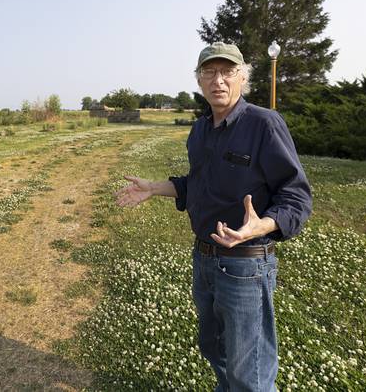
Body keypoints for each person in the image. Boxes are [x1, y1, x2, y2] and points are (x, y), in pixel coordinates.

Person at [116, 42, 312, 392]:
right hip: (204, 260)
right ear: (200, 80)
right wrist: (153, 188)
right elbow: (197, 185)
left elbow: (296, 196)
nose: (218, 80)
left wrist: (261, 226)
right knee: (214, 348)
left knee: (247, 371)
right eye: (209, 72)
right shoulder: (201, 130)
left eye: (227, 72)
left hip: (245, 267)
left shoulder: (263, 125)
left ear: (242, 78)